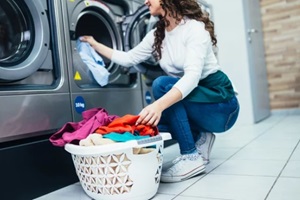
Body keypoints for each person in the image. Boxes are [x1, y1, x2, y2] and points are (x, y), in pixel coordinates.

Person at [80, 0, 239, 183]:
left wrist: (158, 105)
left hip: (222, 105)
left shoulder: (194, 28)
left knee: (161, 84)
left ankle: (191, 157)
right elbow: (128, 58)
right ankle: (200, 136)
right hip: (197, 103)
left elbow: (192, 77)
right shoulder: (158, 34)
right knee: (148, 122)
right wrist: (94, 44)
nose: (146, 1)